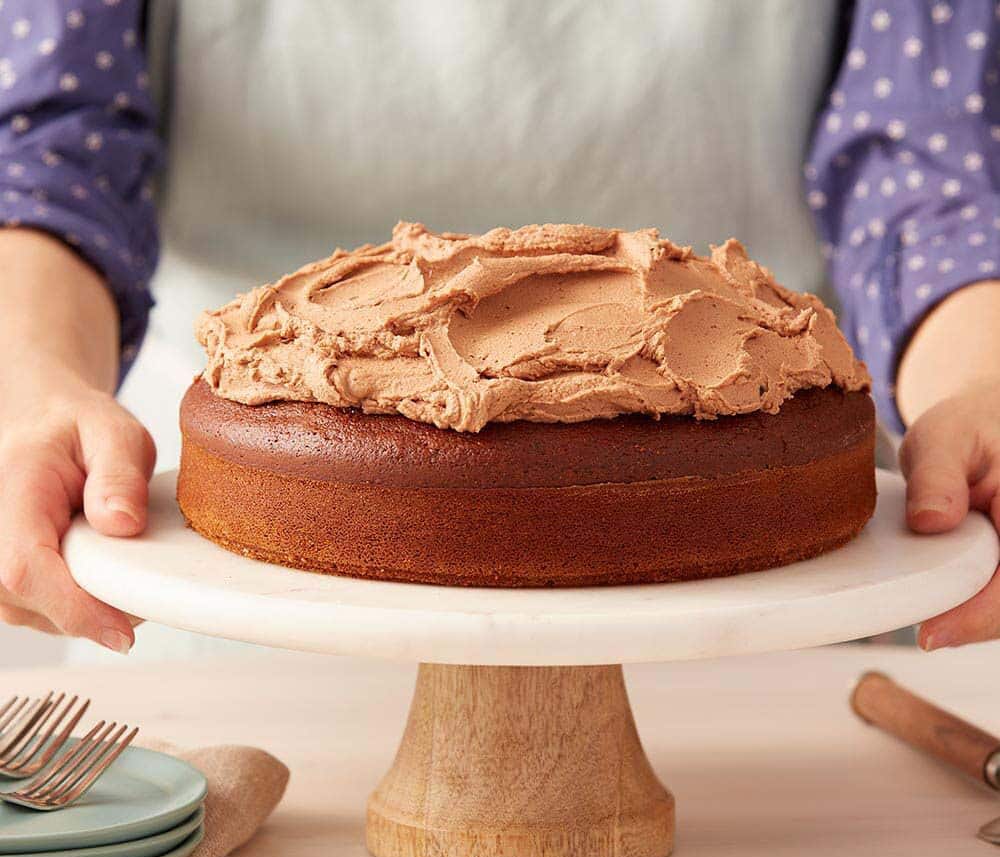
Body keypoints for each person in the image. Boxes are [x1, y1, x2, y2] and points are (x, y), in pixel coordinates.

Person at [0, 0, 997, 656]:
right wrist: (30, 379)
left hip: (783, 663)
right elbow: (55, 146)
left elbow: (924, 169)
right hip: (235, 628)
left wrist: (977, 396)